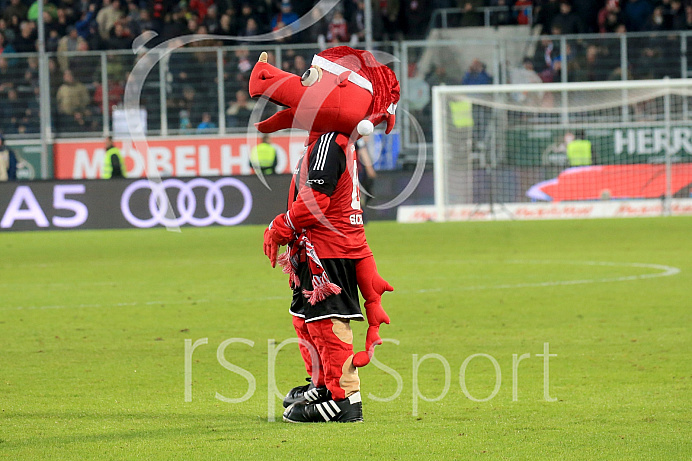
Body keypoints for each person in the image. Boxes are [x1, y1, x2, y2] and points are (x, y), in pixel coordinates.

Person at [251, 47, 398, 423]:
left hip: (326, 251)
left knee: (328, 324)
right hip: (324, 248)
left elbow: (316, 200)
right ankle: (321, 383)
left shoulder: (329, 141)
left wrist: (280, 226)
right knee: (305, 319)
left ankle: (343, 399)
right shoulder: (330, 140)